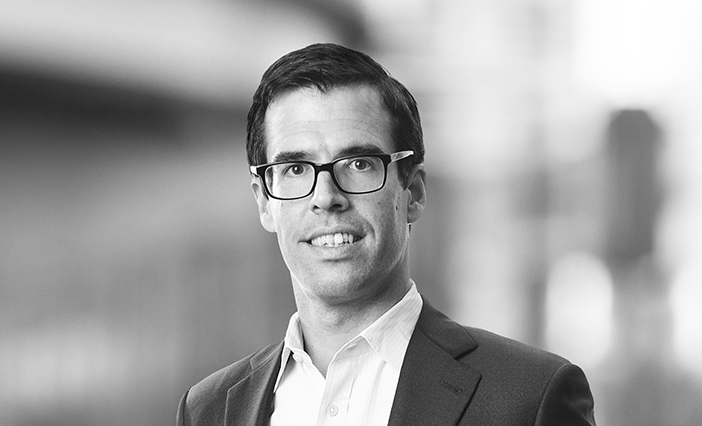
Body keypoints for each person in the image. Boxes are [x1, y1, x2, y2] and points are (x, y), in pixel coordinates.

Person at [176, 43, 596, 425]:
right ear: (265, 201)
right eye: (296, 169)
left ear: (413, 192)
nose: (326, 197)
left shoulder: (531, 398)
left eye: (358, 164)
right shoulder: (208, 410)